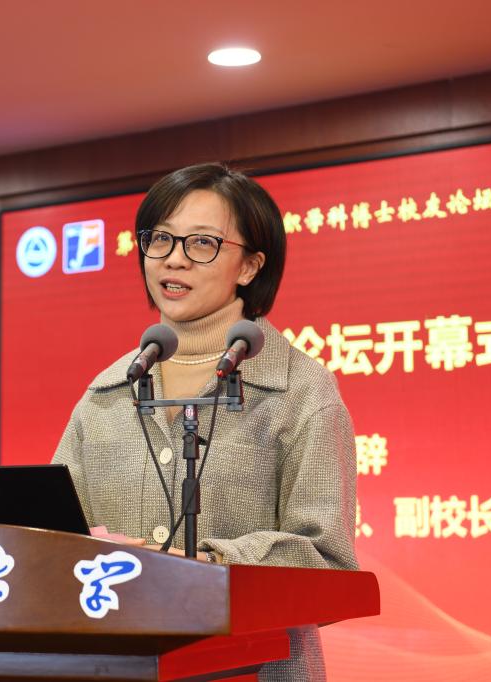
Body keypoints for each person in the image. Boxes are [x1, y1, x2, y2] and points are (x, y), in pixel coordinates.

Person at [52, 162, 358, 681]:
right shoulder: (106, 394)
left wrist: (209, 568)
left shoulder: (300, 391)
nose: (174, 258)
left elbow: (327, 563)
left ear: (250, 266)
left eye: (201, 244)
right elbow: (53, 542)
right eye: (160, 239)